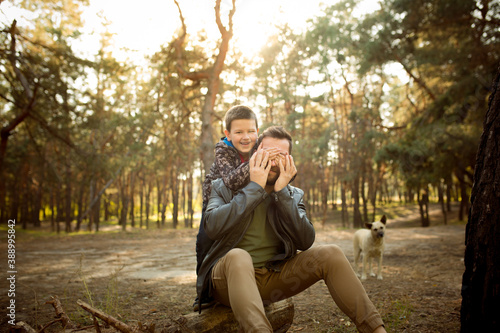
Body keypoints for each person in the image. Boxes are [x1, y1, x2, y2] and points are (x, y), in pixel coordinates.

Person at [196, 126, 387, 333]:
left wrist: (282, 193)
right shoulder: (223, 186)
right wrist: (254, 189)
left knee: (331, 253)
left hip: (272, 280)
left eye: (280, 156)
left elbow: (305, 241)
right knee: (238, 256)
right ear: (255, 153)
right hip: (227, 282)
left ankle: (375, 329)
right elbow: (212, 227)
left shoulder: (292, 194)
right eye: (268, 153)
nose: (273, 161)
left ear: (289, 161)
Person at [194, 105, 280, 311]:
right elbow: (231, 181)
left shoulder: (260, 147)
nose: (245, 137)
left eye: (251, 131)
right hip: (218, 199)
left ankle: (255, 282)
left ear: (257, 132)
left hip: (243, 199)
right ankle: (203, 293)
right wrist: (256, 160)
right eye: (239, 132)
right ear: (227, 134)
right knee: (204, 242)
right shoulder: (223, 151)